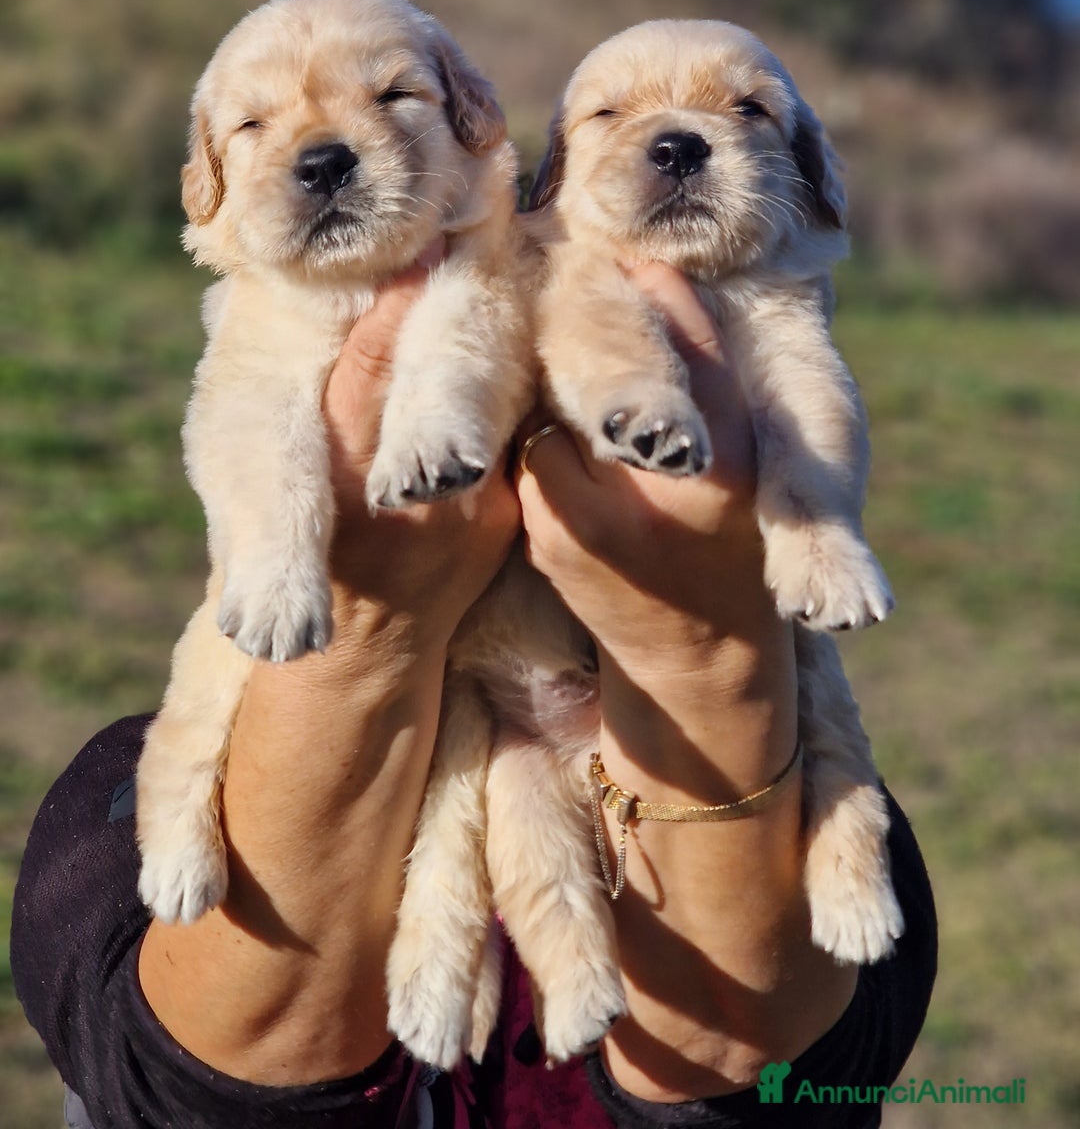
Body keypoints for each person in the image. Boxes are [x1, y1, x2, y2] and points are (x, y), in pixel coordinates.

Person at [12, 259, 936, 1128]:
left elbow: (751, 1084)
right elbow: (211, 1094)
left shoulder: (826, 815)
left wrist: (697, 652)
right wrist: (357, 618)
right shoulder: (109, 814)